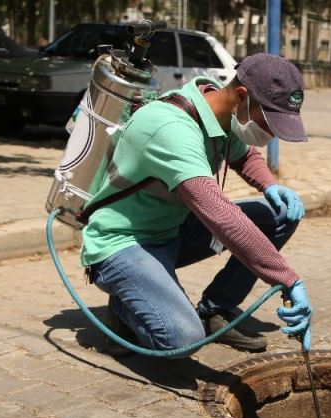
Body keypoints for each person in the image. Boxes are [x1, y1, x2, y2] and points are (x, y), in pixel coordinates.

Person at [80, 53, 312, 355]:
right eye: (268, 123)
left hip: (172, 230)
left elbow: (243, 153)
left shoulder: (220, 111)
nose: (269, 135)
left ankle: (216, 309)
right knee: (181, 340)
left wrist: (271, 185)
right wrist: (288, 280)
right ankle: (124, 306)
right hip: (124, 242)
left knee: (279, 215)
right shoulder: (171, 129)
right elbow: (221, 217)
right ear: (242, 96)